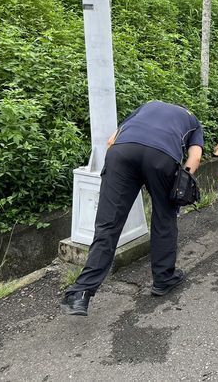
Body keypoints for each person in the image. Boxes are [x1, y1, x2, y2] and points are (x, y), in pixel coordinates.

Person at [61, 101, 204, 315]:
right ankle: (163, 279)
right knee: (163, 218)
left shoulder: (147, 107)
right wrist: (182, 183)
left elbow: (111, 140)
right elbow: (196, 156)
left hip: (121, 153)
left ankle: (81, 293)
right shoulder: (193, 120)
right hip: (162, 157)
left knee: (108, 225)